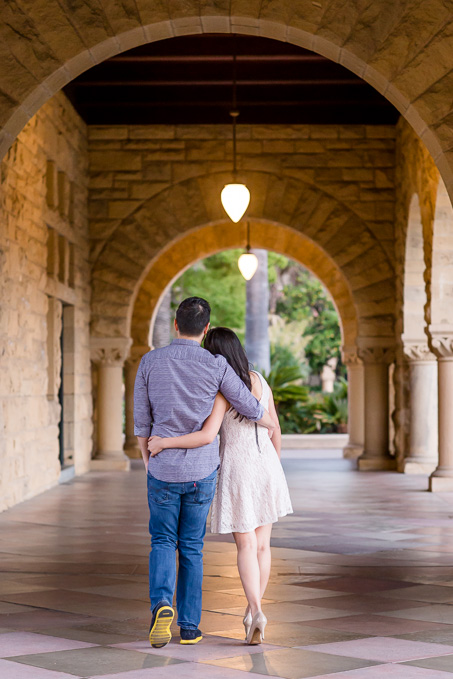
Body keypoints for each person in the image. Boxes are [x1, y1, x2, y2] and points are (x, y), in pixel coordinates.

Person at [134, 298, 275, 649]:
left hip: (162, 469)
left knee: (163, 541)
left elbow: (141, 422)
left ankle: (161, 605)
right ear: (206, 329)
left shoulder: (150, 361)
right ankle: (190, 627)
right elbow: (249, 405)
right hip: (202, 472)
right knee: (192, 547)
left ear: (176, 326)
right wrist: (267, 419)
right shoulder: (217, 366)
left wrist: (149, 464)